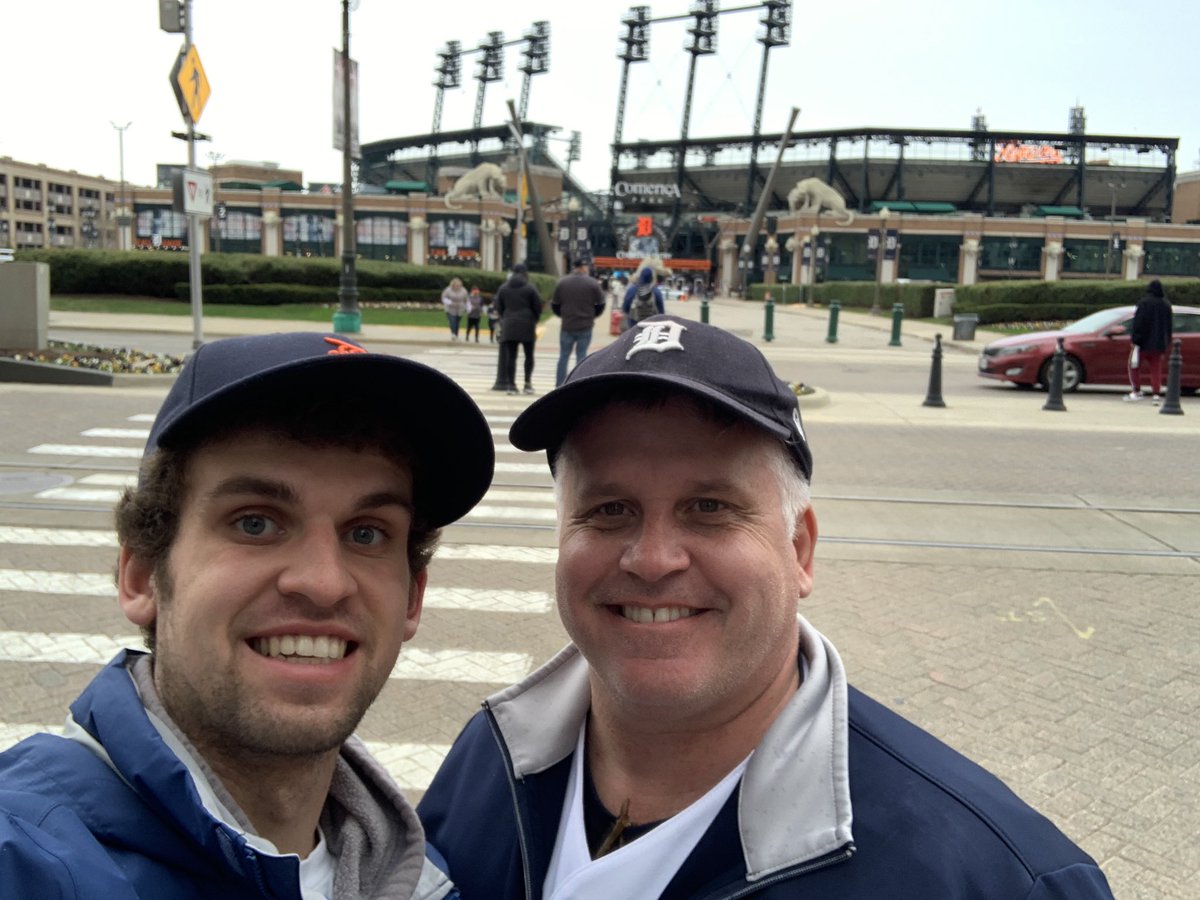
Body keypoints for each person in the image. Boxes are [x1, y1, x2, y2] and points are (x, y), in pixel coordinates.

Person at [419, 316, 1114, 899]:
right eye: (608, 510)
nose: (652, 558)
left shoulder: (996, 878)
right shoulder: (489, 758)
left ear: (800, 550)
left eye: (710, 508)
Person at [0, 332, 495, 899]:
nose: (323, 583)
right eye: (255, 523)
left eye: (367, 533)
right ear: (141, 577)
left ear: (412, 598)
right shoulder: (23, 860)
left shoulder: (422, 877)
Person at [550, 258, 606, 387]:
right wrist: (593, 315)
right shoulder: (592, 283)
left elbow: (555, 304)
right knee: (581, 356)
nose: (587, 269)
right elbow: (601, 304)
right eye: (586, 266)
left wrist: (563, 315)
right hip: (585, 325)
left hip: (567, 324)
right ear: (582, 267)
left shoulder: (562, 282)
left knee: (563, 356)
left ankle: (559, 384)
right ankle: (578, 383)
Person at [495, 262, 544, 395]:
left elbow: (498, 306)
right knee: (529, 355)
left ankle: (511, 385)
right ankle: (527, 383)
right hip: (527, 324)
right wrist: (534, 319)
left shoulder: (504, 288)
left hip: (509, 324)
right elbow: (538, 307)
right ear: (525, 273)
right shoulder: (530, 288)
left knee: (511, 356)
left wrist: (505, 317)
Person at [1125, 278, 1173, 403]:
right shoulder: (1166, 305)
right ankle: (1156, 394)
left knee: (1134, 366)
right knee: (1156, 369)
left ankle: (1137, 391)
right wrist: (1167, 341)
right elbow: (1169, 326)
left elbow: (1138, 323)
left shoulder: (1144, 303)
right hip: (1158, 344)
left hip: (1142, 343)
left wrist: (1135, 339)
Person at [621, 265, 664, 331]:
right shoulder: (655, 291)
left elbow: (625, 306)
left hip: (634, 323)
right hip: (651, 324)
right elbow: (661, 309)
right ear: (651, 277)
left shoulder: (632, 289)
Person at [441, 276, 469, 342]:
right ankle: (453, 334)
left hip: (460, 309)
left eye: (458, 285)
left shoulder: (464, 290)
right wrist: (449, 302)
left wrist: (468, 307)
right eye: (455, 285)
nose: (457, 286)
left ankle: (456, 335)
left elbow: (466, 299)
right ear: (452, 284)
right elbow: (443, 297)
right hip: (450, 308)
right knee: (452, 321)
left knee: (457, 322)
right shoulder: (448, 290)